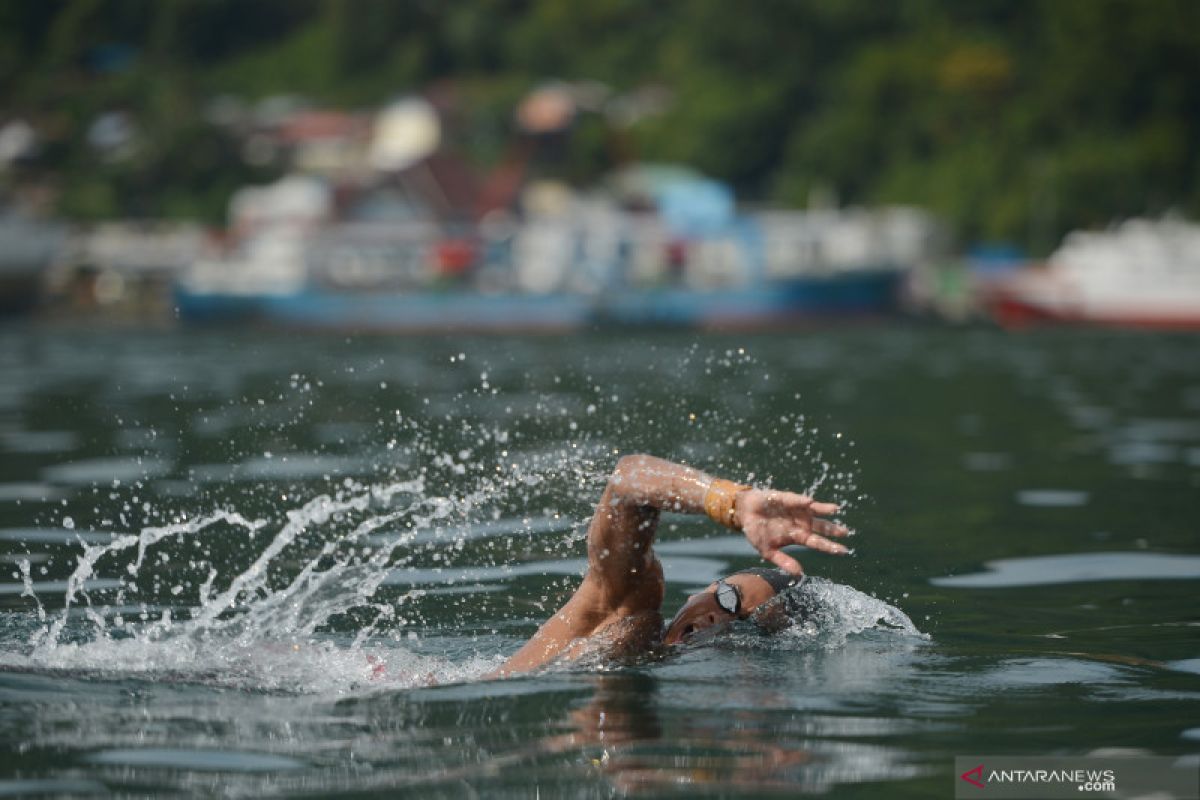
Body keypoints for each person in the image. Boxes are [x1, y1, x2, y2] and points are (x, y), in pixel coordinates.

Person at [495, 454, 850, 676]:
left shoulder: (667, 676)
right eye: (728, 598)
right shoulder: (629, 615)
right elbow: (626, 480)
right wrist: (730, 501)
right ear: (702, 591)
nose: (719, 618)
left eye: (748, 623)